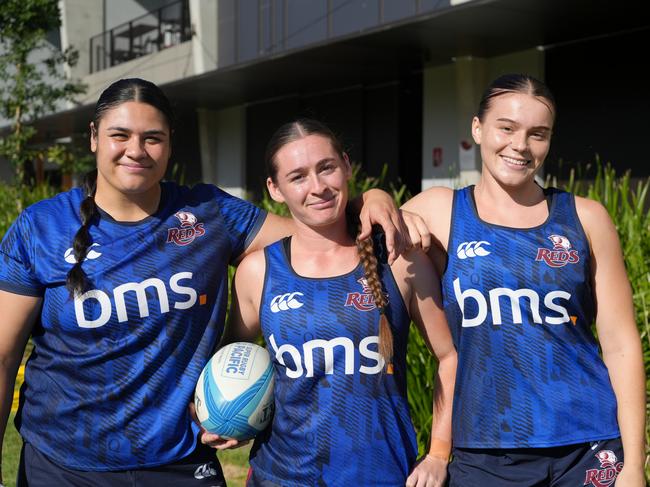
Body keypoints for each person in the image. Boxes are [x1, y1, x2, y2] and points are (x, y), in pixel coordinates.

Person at [0, 78, 424, 487]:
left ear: (169, 144)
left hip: (179, 460)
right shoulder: (40, 229)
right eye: (120, 135)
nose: (136, 150)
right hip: (63, 464)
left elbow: (318, 233)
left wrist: (370, 198)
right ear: (94, 137)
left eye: (152, 137)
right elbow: (3, 359)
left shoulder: (209, 214)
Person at [402, 73, 646, 486]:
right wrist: (376, 201)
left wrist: (635, 465)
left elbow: (621, 344)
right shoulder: (439, 211)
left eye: (538, 134)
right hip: (484, 449)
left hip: (587, 446)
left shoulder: (585, 218)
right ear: (477, 129)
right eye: (507, 128)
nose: (520, 145)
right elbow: (345, 232)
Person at [211, 119, 457, 486]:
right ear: (275, 189)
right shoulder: (257, 272)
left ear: (346, 165)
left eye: (326, 168)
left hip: (381, 476)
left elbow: (450, 357)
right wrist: (232, 416)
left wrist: (438, 454)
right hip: (279, 477)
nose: (318, 187)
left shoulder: (397, 257)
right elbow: (231, 363)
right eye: (297, 177)